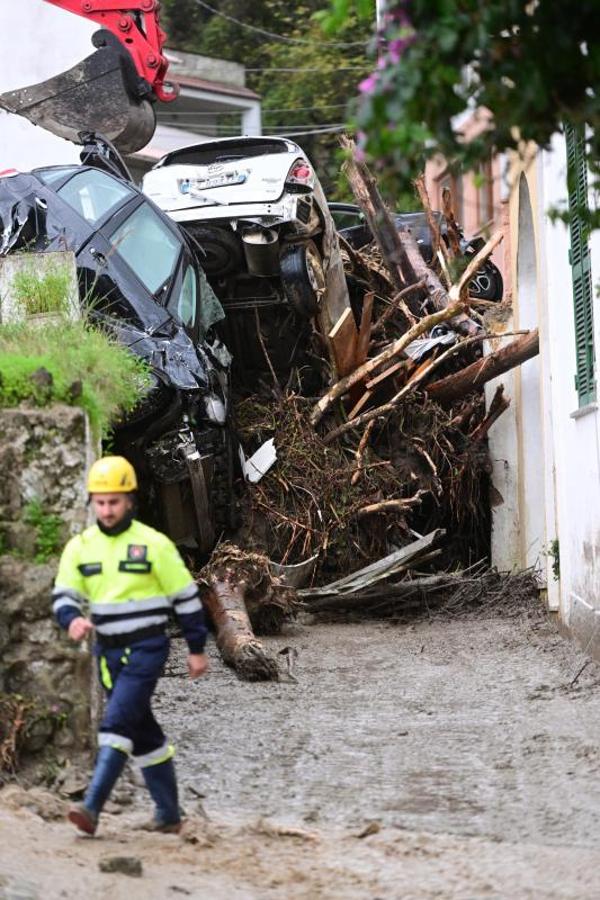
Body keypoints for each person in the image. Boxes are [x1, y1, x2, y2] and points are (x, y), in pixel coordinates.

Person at [52, 455, 208, 836]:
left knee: (117, 721)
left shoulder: (153, 545)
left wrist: (196, 648)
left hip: (147, 648)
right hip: (107, 653)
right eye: (100, 502)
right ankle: (169, 815)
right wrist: (72, 620)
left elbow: (186, 598)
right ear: (92, 502)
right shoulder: (80, 548)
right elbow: (64, 595)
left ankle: (91, 807)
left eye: (114, 502)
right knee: (143, 733)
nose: (107, 510)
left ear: (130, 501)